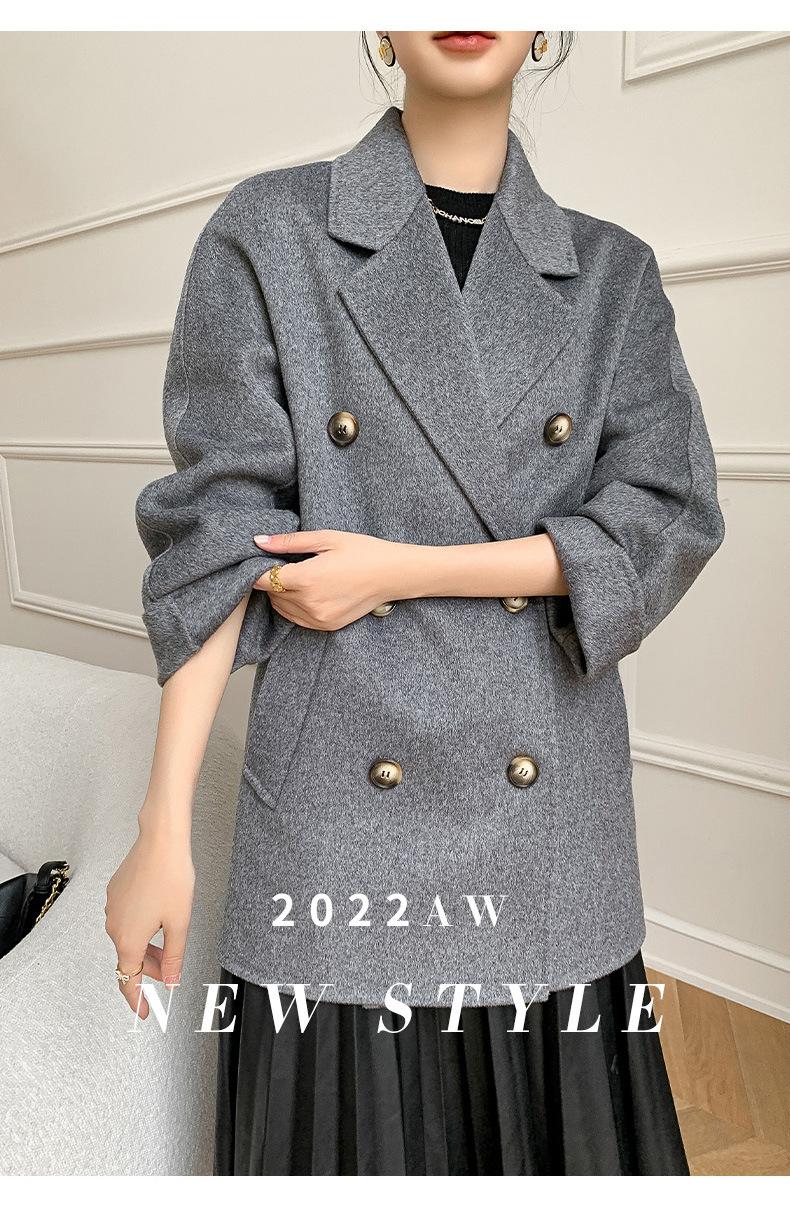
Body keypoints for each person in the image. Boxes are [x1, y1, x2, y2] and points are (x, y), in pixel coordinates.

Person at [106, 30, 725, 1175]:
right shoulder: (269, 233)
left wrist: (397, 569)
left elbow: (667, 516)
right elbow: (214, 540)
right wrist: (162, 829)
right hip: (338, 796)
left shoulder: (613, 274)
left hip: (546, 798)